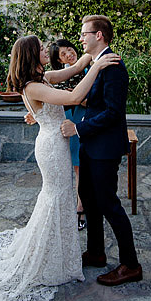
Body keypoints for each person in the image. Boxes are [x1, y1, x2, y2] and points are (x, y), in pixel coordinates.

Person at [0, 36, 119, 301]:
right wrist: (97, 70)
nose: (47, 50)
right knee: (57, 198)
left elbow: (71, 72)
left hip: (53, 140)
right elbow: (72, 98)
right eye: (42, 48)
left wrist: (89, 61)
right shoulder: (33, 86)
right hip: (52, 147)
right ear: (32, 55)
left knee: (60, 198)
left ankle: (61, 253)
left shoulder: (43, 77)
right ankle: (50, 257)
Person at [61, 15, 142, 286]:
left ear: (100, 36)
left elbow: (113, 112)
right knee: (89, 199)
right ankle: (96, 252)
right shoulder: (95, 64)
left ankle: (131, 264)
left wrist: (79, 128)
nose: (80, 38)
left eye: (85, 33)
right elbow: (93, 103)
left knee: (109, 204)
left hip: (104, 147)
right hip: (90, 145)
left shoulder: (113, 66)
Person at [51, 38, 88, 230]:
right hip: (67, 120)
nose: (68, 54)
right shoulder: (58, 77)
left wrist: (79, 99)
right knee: (74, 167)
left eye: (69, 49)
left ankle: (81, 207)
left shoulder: (90, 67)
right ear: (59, 61)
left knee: (80, 167)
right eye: (63, 54)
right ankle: (76, 204)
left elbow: (98, 101)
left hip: (85, 120)